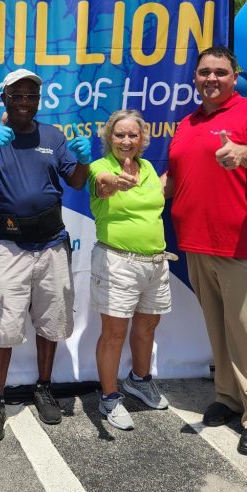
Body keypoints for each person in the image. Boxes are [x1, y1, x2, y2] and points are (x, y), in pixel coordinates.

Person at [165, 45, 247, 456]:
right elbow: (176, 176)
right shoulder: (188, 123)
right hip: (199, 245)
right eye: (204, 72)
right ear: (195, 78)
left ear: (234, 77)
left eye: (220, 72)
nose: (211, 79)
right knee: (218, 330)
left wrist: (242, 153)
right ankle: (229, 398)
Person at [0, 68, 91, 442]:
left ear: (39, 101)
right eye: (17, 96)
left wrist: (85, 159)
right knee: (4, 324)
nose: (24, 103)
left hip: (52, 242)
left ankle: (43, 386)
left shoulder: (53, 136)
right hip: (10, 245)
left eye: (31, 97)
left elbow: (77, 181)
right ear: (3, 99)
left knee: (51, 320)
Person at [88, 109, 172, 431]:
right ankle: (109, 397)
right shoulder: (101, 167)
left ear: (142, 139)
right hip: (117, 262)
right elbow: (103, 185)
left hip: (155, 262)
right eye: (119, 135)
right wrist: (115, 183)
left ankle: (139, 379)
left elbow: (164, 193)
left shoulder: (149, 168)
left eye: (132, 135)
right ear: (109, 138)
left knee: (147, 327)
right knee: (114, 333)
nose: (126, 140)